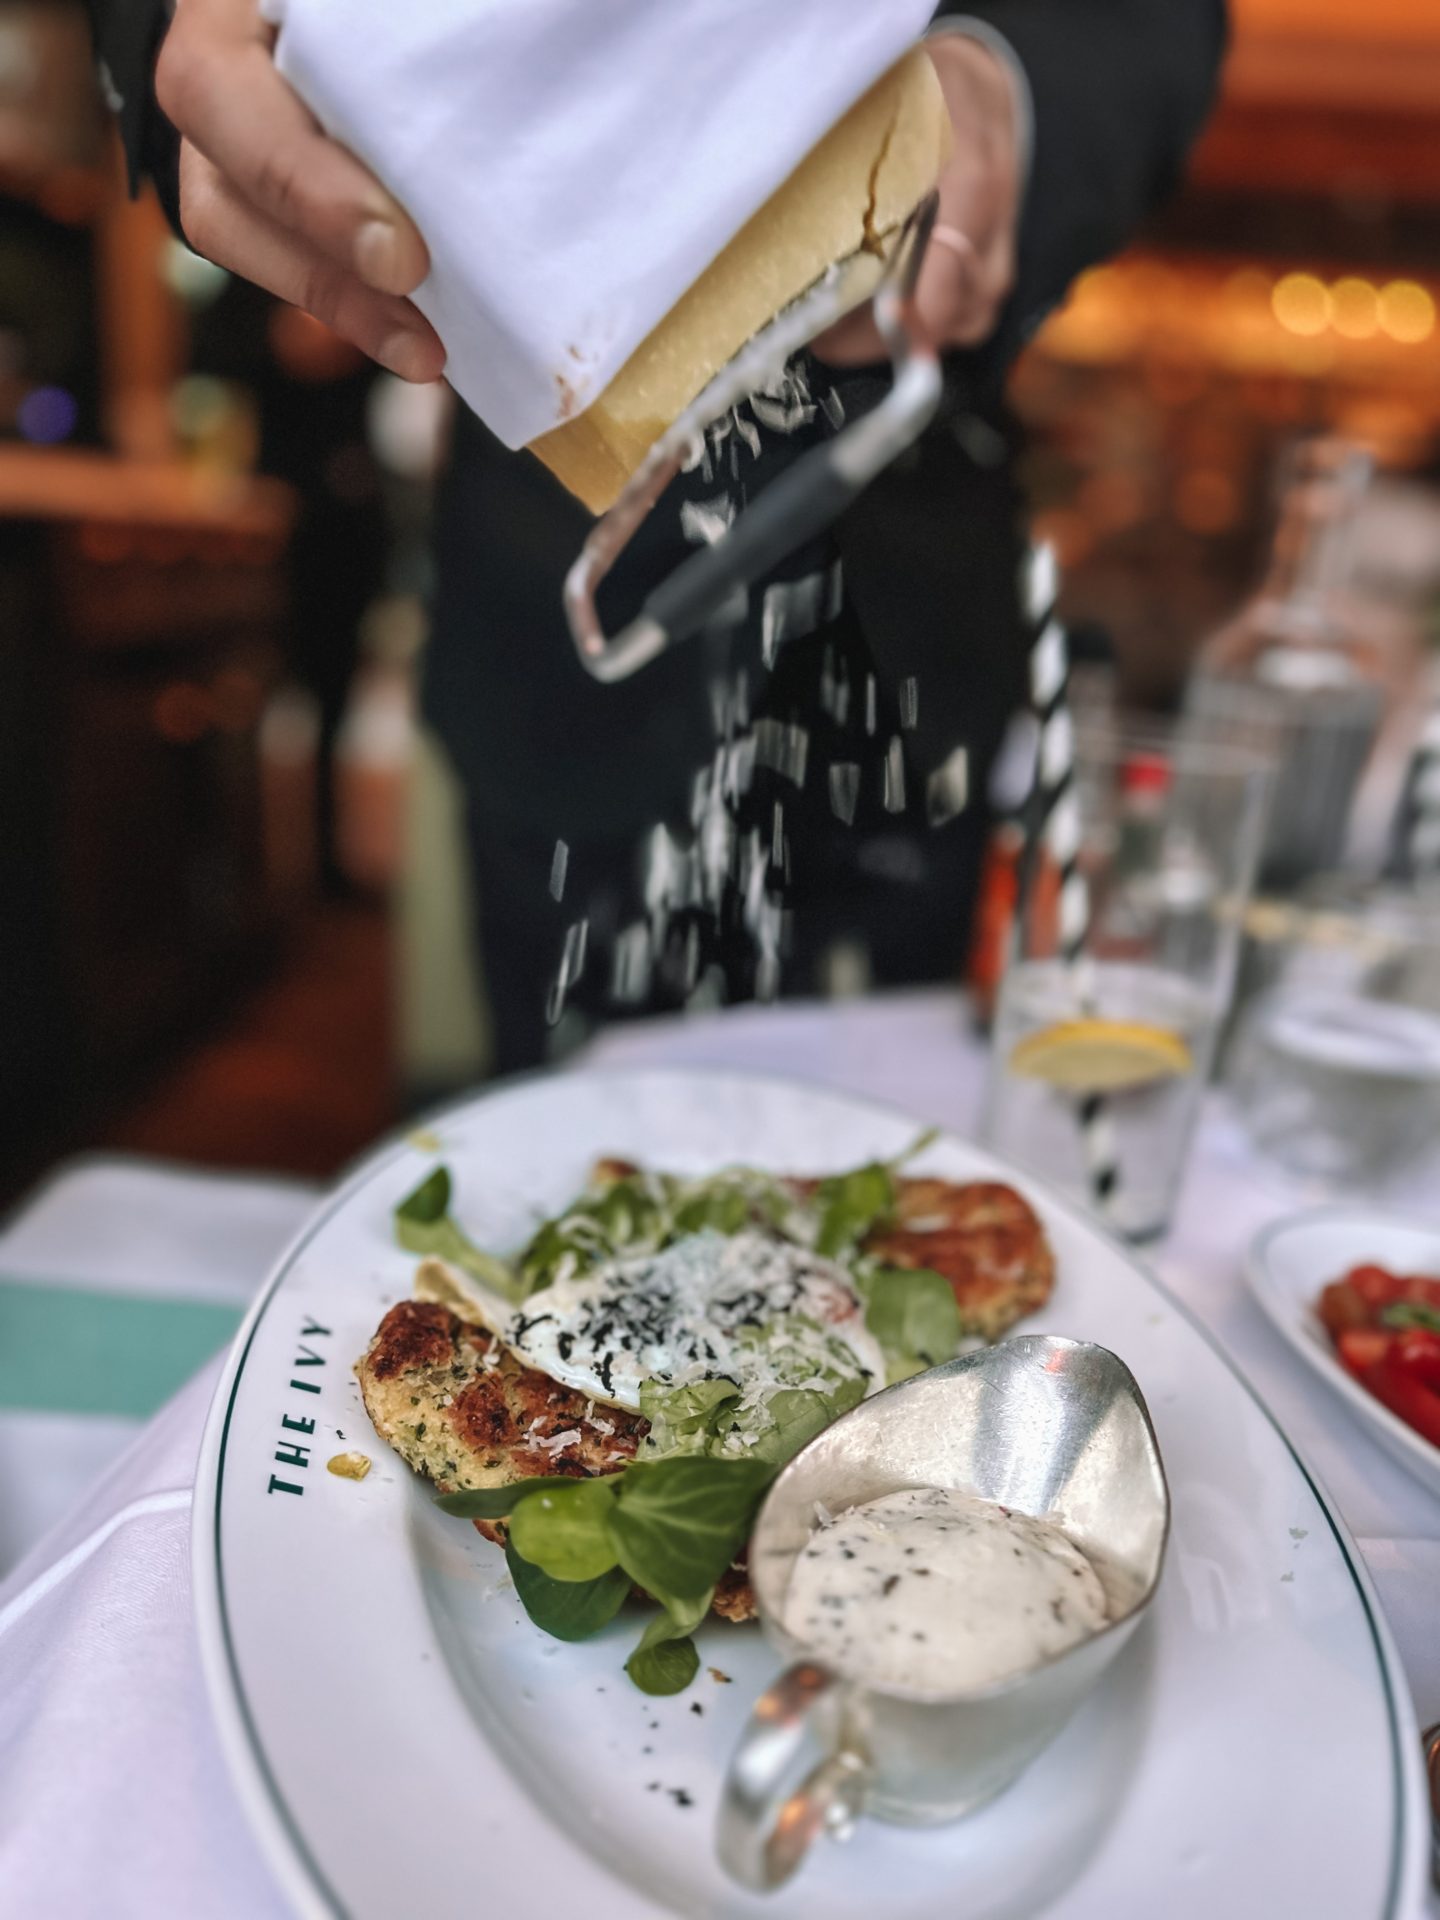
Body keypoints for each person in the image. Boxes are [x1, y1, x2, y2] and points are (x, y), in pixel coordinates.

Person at [85, 0, 1227, 1073]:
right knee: (556, 1179)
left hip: (902, 648)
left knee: (882, 1167)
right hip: (554, 621)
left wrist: (1000, 88)